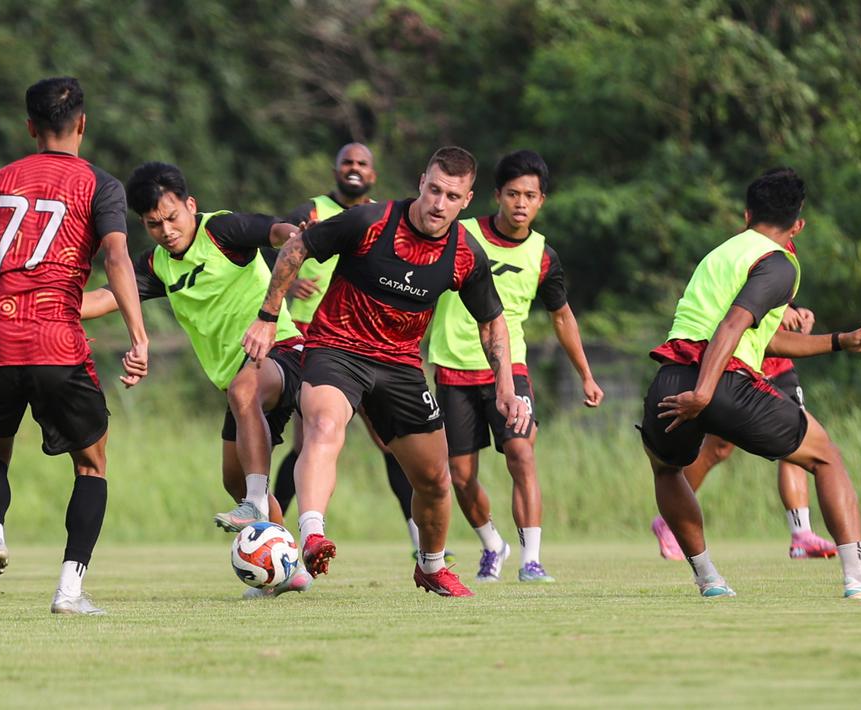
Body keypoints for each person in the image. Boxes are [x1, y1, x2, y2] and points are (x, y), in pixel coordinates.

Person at [243, 147, 529, 597]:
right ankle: (313, 534)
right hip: (337, 347)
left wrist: (506, 388)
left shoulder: (464, 253)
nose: (439, 204)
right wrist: (267, 315)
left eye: (452, 196)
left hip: (400, 366)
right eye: (434, 190)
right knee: (323, 426)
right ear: (421, 182)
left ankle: (431, 566)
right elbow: (296, 248)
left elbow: (492, 321)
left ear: (467, 200)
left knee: (435, 479)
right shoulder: (369, 221)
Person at [0, 77, 149, 616]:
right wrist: (138, 335)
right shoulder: (101, 185)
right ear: (83, 123)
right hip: (56, 339)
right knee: (92, 465)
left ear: (30, 127)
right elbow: (117, 259)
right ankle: (68, 592)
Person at [640, 167, 861, 599]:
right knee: (825, 456)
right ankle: (860, 579)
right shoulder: (778, 262)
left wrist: (840, 340)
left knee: (667, 469)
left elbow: (764, 339)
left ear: (747, 214)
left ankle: (709, 580)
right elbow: (732, 326)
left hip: (670, 379)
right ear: (798, 225)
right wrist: (705, 392)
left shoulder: (719, 254)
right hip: (722, 381)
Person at [80, 161, 312, 599]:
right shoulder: (158, 265)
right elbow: (108, 296)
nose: (166, 230)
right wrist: (48, 306)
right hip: (238, 381)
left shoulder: (222, 231)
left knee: (244, 395)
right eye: (154, 224)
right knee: (233, 478)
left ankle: (256, 505)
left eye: (172, 217)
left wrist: (293, 235)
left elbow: (276, 231)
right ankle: (287, 567)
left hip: (283, 351)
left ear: (190, 205)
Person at [427, 150, 604, 583]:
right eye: (512, 194)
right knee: (460, 476)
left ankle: (531, 561)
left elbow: (562, 317)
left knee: (521, 453)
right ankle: (493, 544)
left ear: (541, 201)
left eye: (529, 195)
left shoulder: (543, 256)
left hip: (510, 371)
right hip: (453, 369)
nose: (520, 203)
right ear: (496, 196)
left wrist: (586, 374)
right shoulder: (461, 234)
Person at [272, 143, 428, 560]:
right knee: (307, 442)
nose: (354, 168)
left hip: (368, 341)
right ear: (336, 170)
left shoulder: (381, 216)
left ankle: (421, 540)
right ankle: (275, 538)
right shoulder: (313, 210)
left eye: (362, 163)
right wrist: (289, 284)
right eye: (347, 163)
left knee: (388, 443)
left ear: (373, 175)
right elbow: (273, 243)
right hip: (313, 338)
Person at [651, 307, 838, 561]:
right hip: (737, 360)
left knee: (797, 439)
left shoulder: (787, 278)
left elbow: (778, 290)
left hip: (777, 362)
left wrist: (795, 309)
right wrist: (777, 309)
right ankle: (670, 519)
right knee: (719, 448)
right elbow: (738, 295)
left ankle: (802, 535)